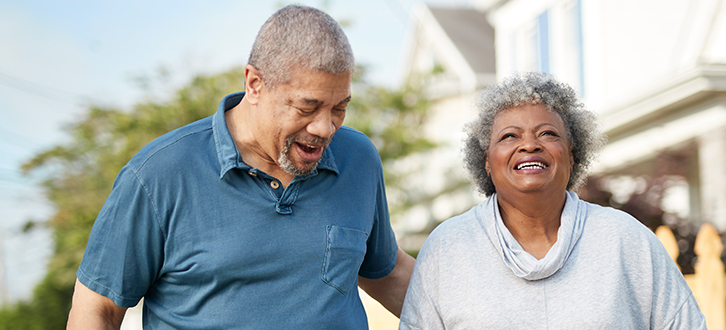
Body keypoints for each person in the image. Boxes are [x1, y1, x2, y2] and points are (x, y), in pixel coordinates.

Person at [66, 5, 415, 329]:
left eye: (340, 107)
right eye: (307, 108)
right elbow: (97, 309)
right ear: (254, 85)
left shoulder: (359, 159)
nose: (325, 128)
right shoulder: (159, 174)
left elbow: (387, 273)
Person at [398, 72, 705, 329]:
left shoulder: (625, 239)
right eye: (509, 136)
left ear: (572, 156)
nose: (529, 144)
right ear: (486, 161)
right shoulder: (448, 249)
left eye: (547, 133)